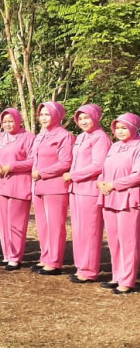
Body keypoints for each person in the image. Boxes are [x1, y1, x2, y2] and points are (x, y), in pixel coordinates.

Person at [65, 104, 111, 284]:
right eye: (80, 118)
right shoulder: (82, 137)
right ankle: (81, 267)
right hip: (76, 189)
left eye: (87, 117)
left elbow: (98, 165)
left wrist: (73, 175)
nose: (83, 121)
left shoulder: (100, 137)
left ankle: (90, 270)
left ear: (96, 117)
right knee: (78, 230)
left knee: (90, 230)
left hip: (90, 190)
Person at [96, 113, 140, 294]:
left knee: (128, 241)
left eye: (124, 127)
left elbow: (137, 175)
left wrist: (114, 185)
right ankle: (117, 275)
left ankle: (127, 280)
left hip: (128, 199)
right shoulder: (114, 147)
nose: (120, 131)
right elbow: (104, 170)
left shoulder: (138, 146)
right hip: (109, 197)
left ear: (134, 127)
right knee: (114, 239)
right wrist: (100, 183)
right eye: (117, 128)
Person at [30, 102, 74, 275]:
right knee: (43, 225)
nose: (44, 118)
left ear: (57, 115)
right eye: (41, 114)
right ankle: (45, 257)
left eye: (47, 114)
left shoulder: (64, 136)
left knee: (55, 225)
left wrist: (42, 173)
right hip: (39, 186)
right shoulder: (41, 135)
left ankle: (55, 262)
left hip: (55, 186)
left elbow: (65, 162)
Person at [0, 108, 35, 271]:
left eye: (11, 121)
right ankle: (7, 254)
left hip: (19, 183)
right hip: (0, 184)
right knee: (3, 222)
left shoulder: (28, 138)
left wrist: (12, 166)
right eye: (5, 121)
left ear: (18, 120)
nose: (8, 124)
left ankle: (15, 257)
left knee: (16, 221)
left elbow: (32, 161)